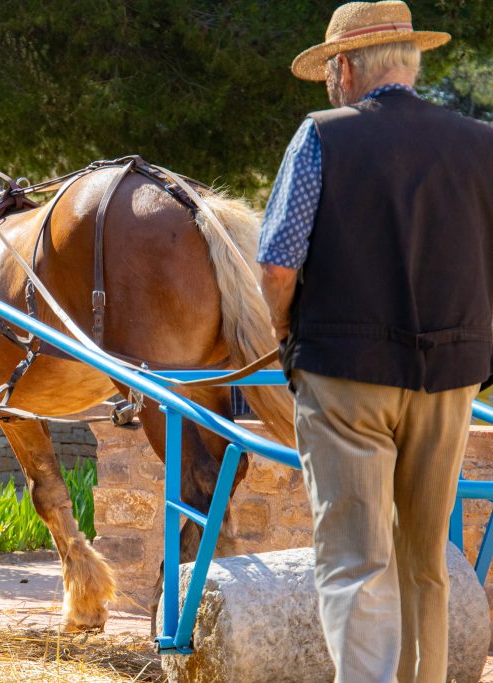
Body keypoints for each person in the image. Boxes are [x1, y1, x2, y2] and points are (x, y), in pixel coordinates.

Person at [257, 2, 493, 681]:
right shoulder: (482, 144)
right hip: (450, 379)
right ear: (410, 64)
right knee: (426, 560)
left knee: (358, 561)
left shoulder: (322, 136)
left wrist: (283, 332)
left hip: (345, 373)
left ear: (344, 69)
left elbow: (277, 263)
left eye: (331, 72)